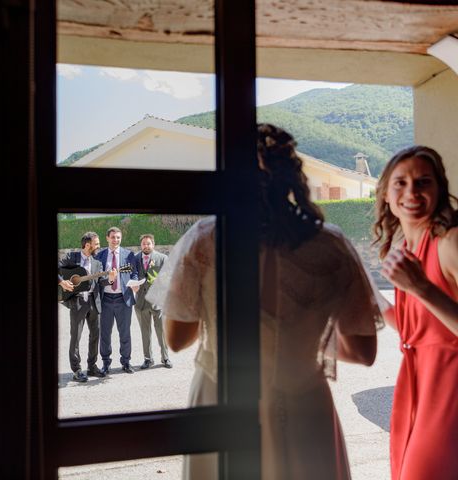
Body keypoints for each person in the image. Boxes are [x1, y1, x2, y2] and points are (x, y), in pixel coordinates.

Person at [148, 123, 382, 480]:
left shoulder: (206, 238)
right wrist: (302, 338)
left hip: (222, 399)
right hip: (304, 404)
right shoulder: (330, 244)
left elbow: (178, 339)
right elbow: (364, 351)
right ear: (291, 178)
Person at [374, 145, 458, 480]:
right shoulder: (405, 248)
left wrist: (422, 288)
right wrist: (372, 304)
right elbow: (422, 331)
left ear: (439, 189)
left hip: (450, 389)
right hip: (417, 386)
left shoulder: (450, 243)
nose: (411, 192)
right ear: (385, 194)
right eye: (401, 183)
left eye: (423, 182)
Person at [58, 232, 112, 382]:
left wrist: (111, 280)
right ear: (87, 245)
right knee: (76, 336)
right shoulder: (72, 257)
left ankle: (92, 366)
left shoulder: (97, 262)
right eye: (97, 243)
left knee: (95, 336)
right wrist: (62, 282)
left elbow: (102, 282)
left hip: (94, 303)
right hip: (77, 302)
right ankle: (77, 370)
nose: (99, 246)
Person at [95, 227, 138, 374]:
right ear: (107, 238)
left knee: (125, 333)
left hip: (123, 298)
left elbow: (135, 273)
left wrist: (136, 283)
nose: (116, 240)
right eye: (113, 237)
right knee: (105, 334)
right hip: (105, 299)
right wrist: (109, 280)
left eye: (118, 237)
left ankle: (126, 362)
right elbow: (97, 280)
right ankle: (106, 363)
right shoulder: (99, 256)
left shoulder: (129, 255)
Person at [133, 234, 171, 369]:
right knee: (145, 332)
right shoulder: (135, 258)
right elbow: (132, 274)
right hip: (140, 302)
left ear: (153, 244)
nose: (146, 246)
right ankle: (148, 359)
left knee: (161, 331)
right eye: (143, 244)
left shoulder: (162, 258)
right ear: (141, 245)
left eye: (148, 243)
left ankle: (165, 357)